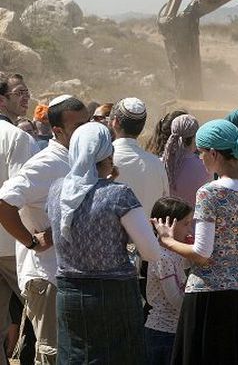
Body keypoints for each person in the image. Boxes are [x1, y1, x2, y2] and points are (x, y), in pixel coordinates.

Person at [47, 121, 161, 364]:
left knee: (75, 357)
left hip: (69, 293)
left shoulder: (57, 190)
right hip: (113, 294)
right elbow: (151, 252)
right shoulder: (118, 193)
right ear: (108, 154)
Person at [152, 119, 238, 364]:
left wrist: (167, 240)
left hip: (207, 295)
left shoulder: (210, 192)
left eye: (201, 153)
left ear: (214, 153)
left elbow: (202, 253)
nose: (200, 158)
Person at [0, 95, 87, 365]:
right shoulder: (46, 164)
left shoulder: (80, 160)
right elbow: (4, 203)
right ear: (58, 131)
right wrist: (31, 242)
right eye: (78, 127)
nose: (85, 133)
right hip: (47, 277)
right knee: (52, 354)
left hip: (70, 275)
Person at [0, 73, 37, 365]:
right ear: (2, 100)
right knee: (42, 312)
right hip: (12, 242)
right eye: (18, 93)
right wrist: (34, 241)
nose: (25, 98)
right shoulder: (17, 138)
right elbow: (21, 194)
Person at [145, 197, 192, 365]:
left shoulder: (175, 254)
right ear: (169, 224)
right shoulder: (162, 257)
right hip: (163, 333)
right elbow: (176, 300)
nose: (190, 229)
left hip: (173, 331)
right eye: (186, 223)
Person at [110, 97, 169, 217]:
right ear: (142, 127)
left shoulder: (103, 160)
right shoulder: (156, 163)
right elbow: (165, 202)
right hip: (149, 234)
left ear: (115, 122)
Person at [162, 114, 209, 206]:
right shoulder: (205, 167)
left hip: (165, 219)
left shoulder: (160, 163)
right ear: (195, 137)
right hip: (192, 219)